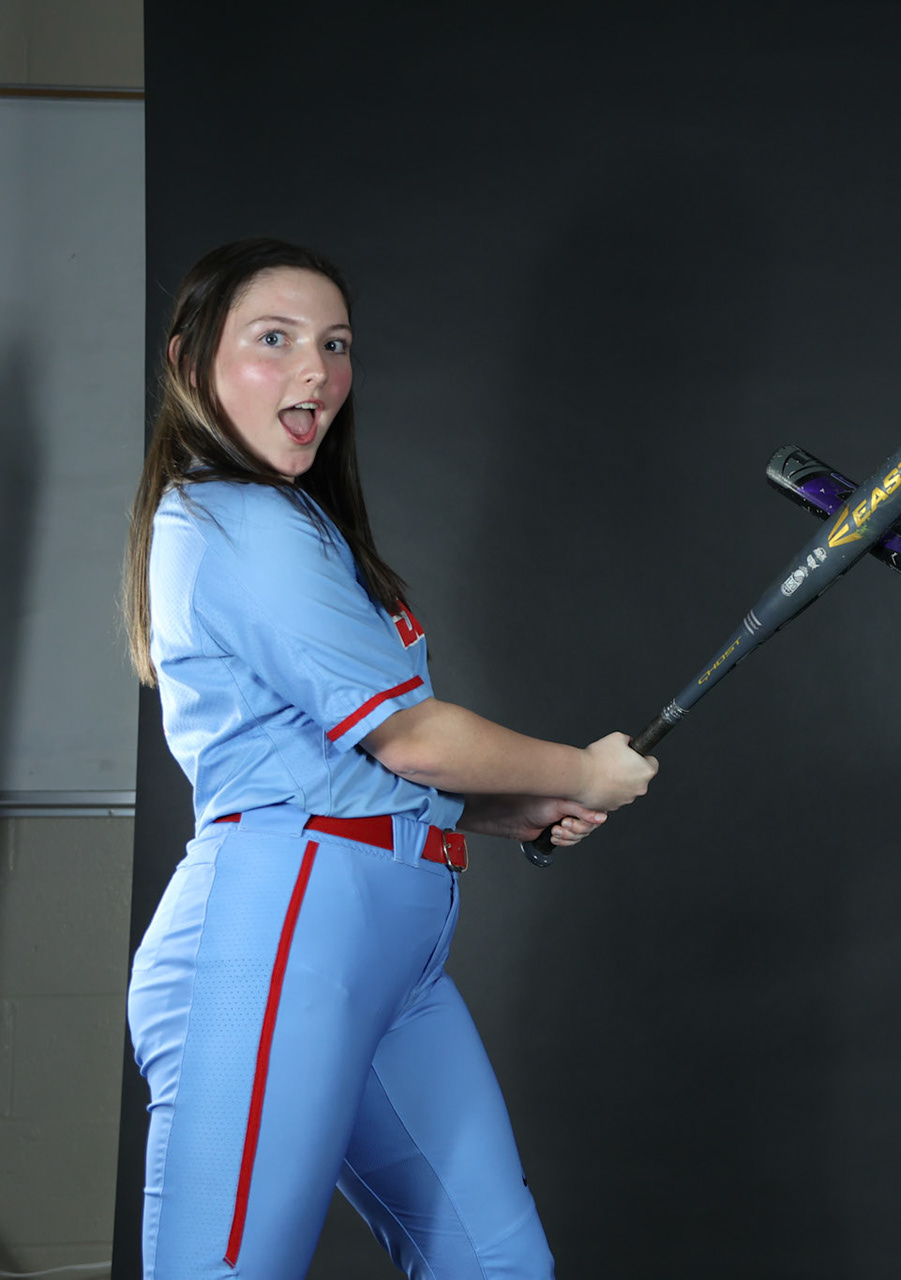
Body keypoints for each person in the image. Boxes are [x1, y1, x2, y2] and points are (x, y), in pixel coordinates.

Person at [121, 237, 656, 1279]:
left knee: (494, 1266)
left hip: (388, 952)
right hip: (275, 940)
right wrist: (580, 773)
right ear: (191, 363)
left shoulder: (295, 524)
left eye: (334, 343)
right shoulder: (233, 516)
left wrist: (508, 810)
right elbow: (411, 736)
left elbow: (357, 760)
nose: (314, 371)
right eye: (272, 339)